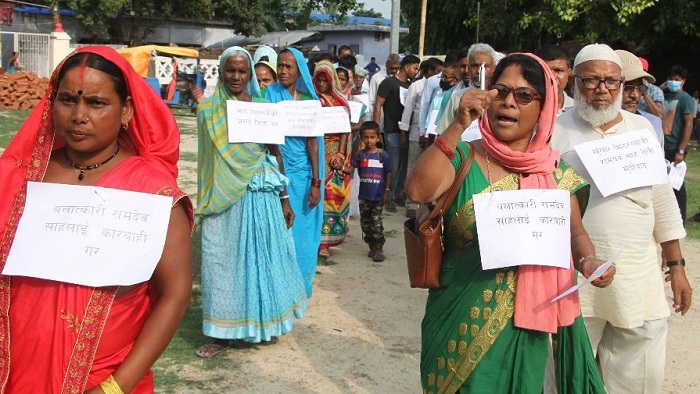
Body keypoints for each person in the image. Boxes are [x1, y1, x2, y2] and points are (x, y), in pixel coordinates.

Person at [407, 52, 615, 393]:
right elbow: (416, 190)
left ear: (544, 107)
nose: (509, 102)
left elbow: (575, 233)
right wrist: (457, 125)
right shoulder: (463, 155)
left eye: (523, 95)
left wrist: (587, 260)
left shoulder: (556, 174)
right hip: (460, 317)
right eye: (500, 91)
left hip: (525, 322)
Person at [0, 46, 194, 392]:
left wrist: (116, 387)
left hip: (103, 378)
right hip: (15, 371)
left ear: (126, 111)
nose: (79, 115)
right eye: (67, 100)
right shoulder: (21, 176)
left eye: (96, 102)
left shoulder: (152, 192)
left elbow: (174, 294)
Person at [551, 43, 692, 393]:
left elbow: (661, 198)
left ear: (622, 83)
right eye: (592, 81)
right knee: (565, 377)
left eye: (612, 82)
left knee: (638, 376)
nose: (602, 90)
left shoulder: (641, 129)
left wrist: (676, 266)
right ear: (574, 82)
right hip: (573, 277)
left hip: (636, 276)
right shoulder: (553, 130)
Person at [195, 47, 307, 356]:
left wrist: (285, 200)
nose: (236, 76)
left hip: (260, 194)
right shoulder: (207, 111)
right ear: (221, 71)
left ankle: (261, 325)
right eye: (230, 70)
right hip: (223, 198)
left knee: (261, 259)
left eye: (242, 71)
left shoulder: (262, 107)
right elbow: (205, 162)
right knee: (222, 261)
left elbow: (275, 152)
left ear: (249, 75)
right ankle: (221, 334)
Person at [265, 48, 324, 298]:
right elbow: (269, 139)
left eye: (289, 66)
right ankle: (278, 287)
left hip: (302, 176)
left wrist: (316, 182)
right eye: (280, 65)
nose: (283, 71)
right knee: (278, 233)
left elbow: (313, 143)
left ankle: (299, 286)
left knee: (303, 234)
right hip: (275, 171)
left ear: (299, 70)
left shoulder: (309, 102)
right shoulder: (269, 94)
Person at [313, 61, 352, 258]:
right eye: (318, 80)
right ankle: (315, 241)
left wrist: (340, 154)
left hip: (335, 152)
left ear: (332, 81)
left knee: (333, 196)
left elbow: (345, 130)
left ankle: (326, 243)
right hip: (315, 150)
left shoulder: (340, 102)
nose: (321, 84)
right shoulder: (311, 100)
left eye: (324, 80)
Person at [374, 54, 420, 212]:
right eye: (415, 67)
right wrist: (375, 129)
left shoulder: (411, 85)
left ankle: (400, 194)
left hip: (406, 131)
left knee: (404, 165)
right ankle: (389, 197)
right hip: (392, 129)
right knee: (393, 165)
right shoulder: (388, 83)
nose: (416, 71)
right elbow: (378, 105)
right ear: (406, 66)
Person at [399, 57, 443, 218]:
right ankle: (411, 203)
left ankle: (427, 201)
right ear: (428, 71)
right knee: (413, 167)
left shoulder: (441, 85)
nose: (440, 75)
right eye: (437, 71)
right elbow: (408, 110)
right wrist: (403, 132)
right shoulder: (416, 86)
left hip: (434, 133)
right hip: (416, 132)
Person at [340, 121, 391, 262]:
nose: (369, 141)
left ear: (378, 138)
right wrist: (340, 167)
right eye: (366, 137)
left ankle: (379, 248)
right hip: (364, 196)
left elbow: (388, 172)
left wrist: (387, 190)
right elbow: (351, 169)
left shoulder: (383, 155)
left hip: (378, 196)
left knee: (376, 222)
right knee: (365, 223)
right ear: (362, 138)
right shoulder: (360, 155)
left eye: (372, 137)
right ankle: (371, 246)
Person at [435, 43, 498, 134]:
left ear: (494, 68)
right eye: (474, 66)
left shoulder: (501, 96)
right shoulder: (457, 97)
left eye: (484, 66)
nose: (478, 71)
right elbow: (443, 134)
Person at [662, 64, 694, 223]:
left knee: (677, 184)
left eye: (676, 79)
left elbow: (688, 124)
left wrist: (681, 150)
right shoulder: (665, 96)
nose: (672, 82)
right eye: (670, 79)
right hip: (663, 145)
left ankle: (681, 219)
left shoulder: (685, 99)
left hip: (675, 147)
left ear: (683, 81)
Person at [615, 50, 664, 145]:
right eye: (627, 87)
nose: (635, 95)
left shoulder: (652, 124)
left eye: (640, 88)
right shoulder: (589, 127)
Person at [535, 45, 575, 113]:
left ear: (569, 74)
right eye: (545, 70)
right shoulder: (526, 109)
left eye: (558, 70)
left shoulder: (577, 110)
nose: (552, 77)